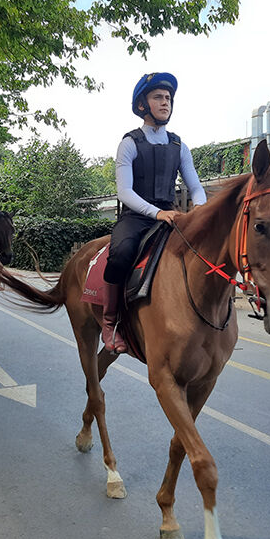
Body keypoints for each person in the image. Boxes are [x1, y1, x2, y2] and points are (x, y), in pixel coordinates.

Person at [102, 72, 207, 353]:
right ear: (142, 105)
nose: (165, 103)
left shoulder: (179, 146)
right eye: (158, 97)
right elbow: (124, 192)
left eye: (168, 98)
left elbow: (195, 186)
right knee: (121, 253)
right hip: (137, 216)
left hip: (172, 217)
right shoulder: (129, 143)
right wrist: (157, 213)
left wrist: (199, 208)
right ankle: (110, 321)